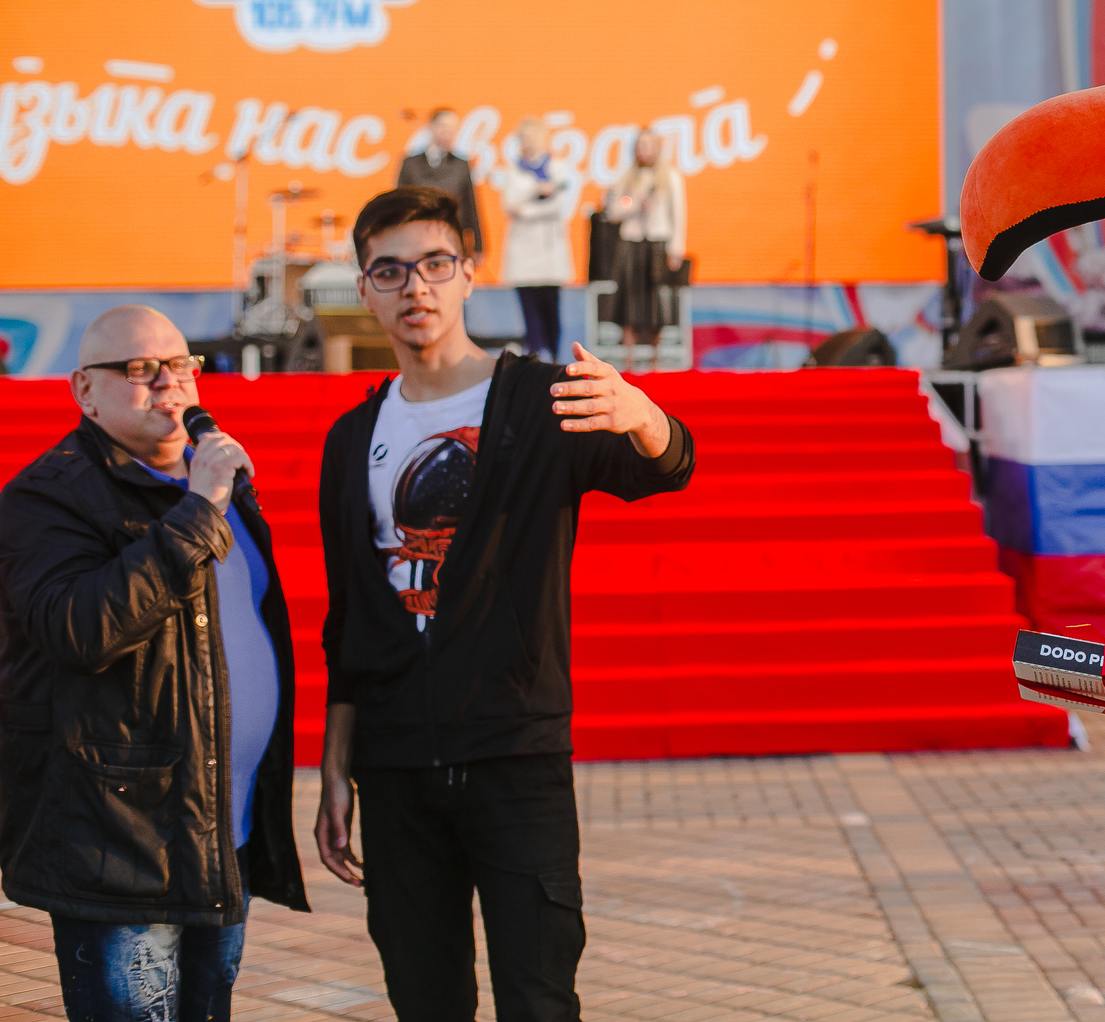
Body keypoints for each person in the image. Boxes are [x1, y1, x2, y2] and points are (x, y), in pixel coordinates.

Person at [314, 186, 694, 1021]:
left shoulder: (539, 398)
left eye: (435, 263)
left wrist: (644, 416)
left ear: (469, 273)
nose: (416, 286)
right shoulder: (350, 438)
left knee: (539, 998)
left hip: (515, 752)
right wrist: (336, 767)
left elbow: (664, 469)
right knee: (424, 999)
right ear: (366, 288)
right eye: (390, 271)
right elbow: (348, 621)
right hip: (395, 764)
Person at [0, 306, 308, 1021]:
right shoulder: (46, 496)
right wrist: (199, 509)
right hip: (122, 844)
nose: (169, 383)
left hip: (217, 828)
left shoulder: (213, 485)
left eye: (181, 365)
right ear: (84, 390)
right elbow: (79, 629)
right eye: (141, 370)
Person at [603, 127, 688, 358]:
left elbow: (678, 214)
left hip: (657, 243)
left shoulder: (670, 176)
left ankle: (655, 359)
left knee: (655, 304)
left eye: (650, 145)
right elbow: (614, 210)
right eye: (641, 145)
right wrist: (634, 204)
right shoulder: (627, 177)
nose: (645, 150)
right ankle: (629, 359)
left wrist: (676, 249)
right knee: (628, 302)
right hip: (632, 242)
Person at [501, 118, 573, 362]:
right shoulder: (513, 170)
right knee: (529, 309)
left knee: (551, 308)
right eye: (525, 139)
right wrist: (536, 190)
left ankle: (553, 356)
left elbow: (558, 205)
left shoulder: (558, 168)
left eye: (533, 138)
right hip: (523, 249)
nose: (529, 143)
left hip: (549, 248)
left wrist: (525, 210)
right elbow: (509, 204)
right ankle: (535, 357)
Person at [397, 107, 484, 259]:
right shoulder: (411, 164)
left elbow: (470, 205)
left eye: (452, 129)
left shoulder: (461, 165)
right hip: (419, 236)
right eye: (443, 126)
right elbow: (400, 204)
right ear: (431, 126)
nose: (447, 133)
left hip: (451, 235)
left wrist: (478, 245)